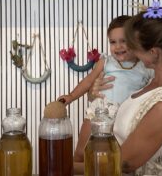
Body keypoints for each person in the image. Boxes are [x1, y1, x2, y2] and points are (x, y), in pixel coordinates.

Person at [81, 0, 162, 175]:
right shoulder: (151, 83)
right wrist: (94, 95)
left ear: (153, 53)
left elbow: (124, 163)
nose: (131, 52)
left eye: (135, 48)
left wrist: (66, 166)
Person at [58, 15, 154, 163]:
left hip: (126, 118)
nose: (118, 46)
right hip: (99, 111)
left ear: (136, 40)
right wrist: (70, 96)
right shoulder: (107, 61)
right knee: (81, 153)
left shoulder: (145, 66)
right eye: (113, 42)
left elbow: (154, 90)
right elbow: (88, 81)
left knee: (110, 158)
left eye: (124, 41)